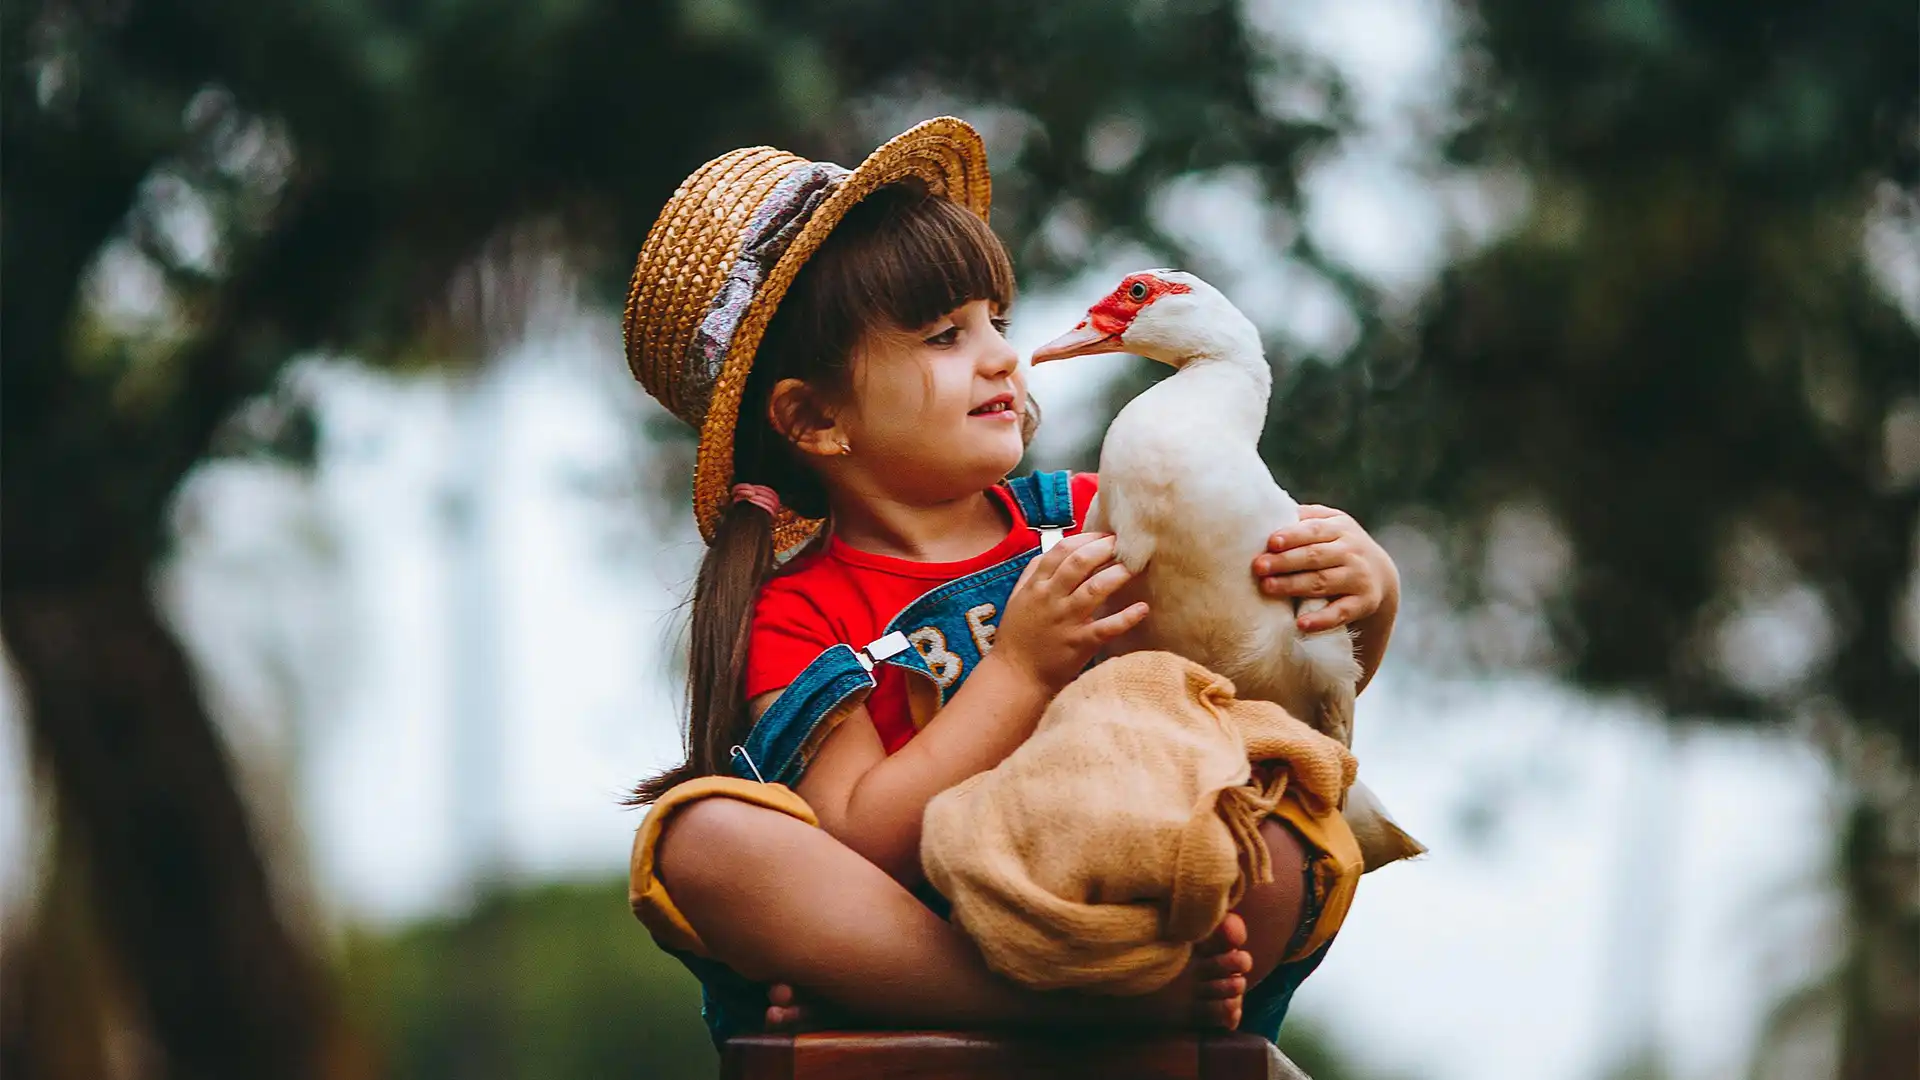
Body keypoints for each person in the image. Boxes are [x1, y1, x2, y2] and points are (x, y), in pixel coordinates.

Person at [621, 118, 1401, 1047]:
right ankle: (1041, 1013)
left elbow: (1271, 688)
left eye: (998, 320)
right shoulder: (799, 610)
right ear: (818, 419)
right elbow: (858, 838)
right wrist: (1020, 670)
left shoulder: (1095, 511)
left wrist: (1369, 593)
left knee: (1278, 815)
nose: (1001, 355)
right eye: (946, 335)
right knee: (704, 839)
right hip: (919, 928)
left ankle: (1028, 994)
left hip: (1105, 887)